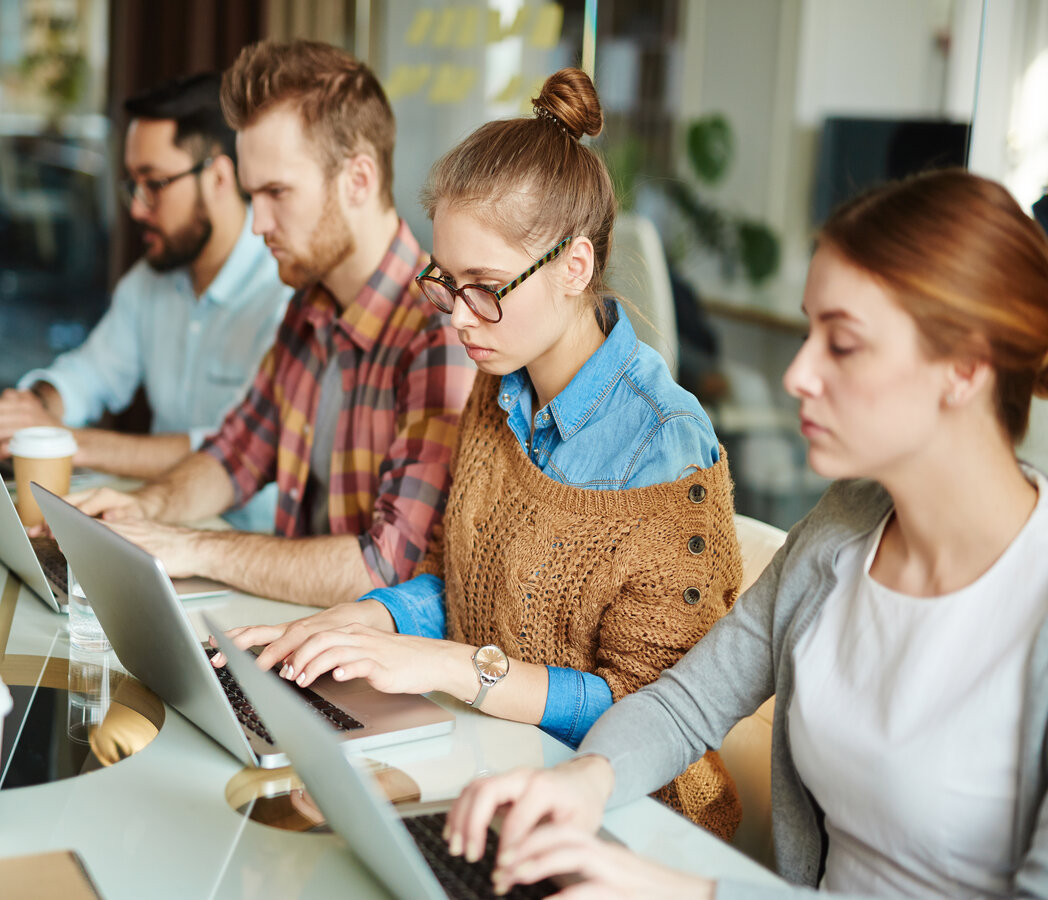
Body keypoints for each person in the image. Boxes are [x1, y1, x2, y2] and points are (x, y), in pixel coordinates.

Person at [444, 169, 1048, 899]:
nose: (798, 373)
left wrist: (690, 893)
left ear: (965, 369)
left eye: (844, 344)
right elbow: (681, 704)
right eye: (809, 330)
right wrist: (583, 782)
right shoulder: (844, 527)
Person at [213, 68, 743, 840]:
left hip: (632, 829)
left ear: (575, 267)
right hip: (495, 771)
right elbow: (459, 580)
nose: (460, 318)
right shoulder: (500, 384)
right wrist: (365, 620)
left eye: (486, 286)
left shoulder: (667, 448)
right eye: (447, 282)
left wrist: (454, 668)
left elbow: (653, 712)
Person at [70, 41, 474, 608]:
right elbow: (237, 451)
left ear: (358, 179)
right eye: (251, 195)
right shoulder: (310, 302)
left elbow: (384, 567)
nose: (258, 223)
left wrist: (193, 548)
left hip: (364, 666)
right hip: (287, 625)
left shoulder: (440, 332)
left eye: (277, 193)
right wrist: (146, 509)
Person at [0, 72, 291, 482]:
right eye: (132, 185)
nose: (137, 210)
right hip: (159, 516)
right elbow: (90, 374)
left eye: (155, 183)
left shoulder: (282, 294)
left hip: (244, 538)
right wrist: (31, 408)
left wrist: (65, 439)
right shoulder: (152, 280)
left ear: (218, 179)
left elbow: (232, 447)